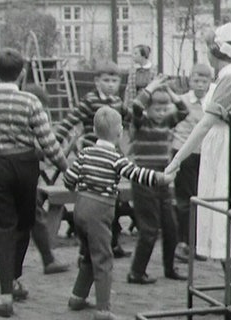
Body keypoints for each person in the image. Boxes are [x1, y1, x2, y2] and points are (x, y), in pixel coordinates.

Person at [165, 23, 231, 304]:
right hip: (224, 149)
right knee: (224, 220)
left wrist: (177, 159)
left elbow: (204, 124)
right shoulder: (227, 77)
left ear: (215, 52)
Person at [63, 107, 176, 320]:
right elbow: (137, 174)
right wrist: (162, 178)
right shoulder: (115, 158)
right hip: (100, 210)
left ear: (95, 131)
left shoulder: (84, 154)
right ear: (119, 132)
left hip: (80, 209)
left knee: (89, 252)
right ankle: (103, 309)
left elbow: (68, 179)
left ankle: (77, 297)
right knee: (103, 258)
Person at [0, 48, 69, 317]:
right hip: (26, 166)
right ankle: (15, 280)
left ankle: (5, 294)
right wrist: (66, 169)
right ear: (22, 73)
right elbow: (48, 141)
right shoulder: (31, 102)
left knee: (2, 228)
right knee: (24, 224)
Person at [0, 84, 70, 280]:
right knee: (31, 216)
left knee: (1, 217)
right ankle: (46, 260)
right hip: (22, 176)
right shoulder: (27, 113)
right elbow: (41, 146)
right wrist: (62, 164)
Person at [54, 60, 132, 258]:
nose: (110, 84)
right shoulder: (89, 101)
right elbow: (70, 121)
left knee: (112, 199)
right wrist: (54, 142)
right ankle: (86, 248)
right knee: (91, 201)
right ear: (97, 81)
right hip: (92, 159)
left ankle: (113, 243)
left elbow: (131, 119)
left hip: (112, 158)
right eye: (106, 80)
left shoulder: (117, 102)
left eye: (114, 80)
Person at [126, 75, 188, 284]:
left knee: (171, 227)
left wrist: (170, 92)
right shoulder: (141, 122)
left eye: (164, 109)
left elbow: (183, 110)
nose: (161, 114)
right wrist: (151, 87)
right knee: (149, 229)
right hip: (144, 181)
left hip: (163, 180)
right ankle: (136, 272)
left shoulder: (169, 121)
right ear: (148, 110)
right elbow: (135, 105)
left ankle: (169, 268)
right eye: (157, 110)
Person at [171, 63, 215, 263]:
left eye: (204, 81)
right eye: (196, 80)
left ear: (209, 83)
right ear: (190, 81)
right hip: (184, 151)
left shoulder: (211, 103)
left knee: (202, 198)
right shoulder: (182, 101)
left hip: (205, 154)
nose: (200, 85)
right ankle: (183, 243)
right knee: (185, 199)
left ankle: (198, 243)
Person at [123, 44, 156, 110]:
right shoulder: (133, 70)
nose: (133, 56)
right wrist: (126, 103)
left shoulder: (153, 70)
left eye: (135, 53)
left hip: (148, 105)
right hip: (133, 104)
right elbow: (128, 89)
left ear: (143, 55)